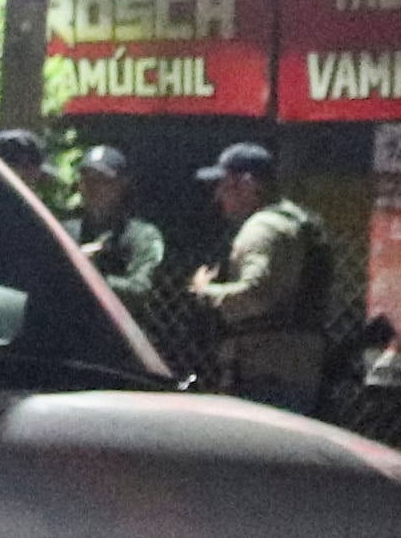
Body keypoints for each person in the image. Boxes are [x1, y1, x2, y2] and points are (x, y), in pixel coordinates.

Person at [190, 139, 338, 413]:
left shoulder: (262, 229)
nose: (218, 196)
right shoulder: (296, 220)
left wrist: (205, 291)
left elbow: (255, 296)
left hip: (264, 371)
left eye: (225, 185)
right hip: (299, 367)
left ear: (247, 184)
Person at [66, 146, 170, 304]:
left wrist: (89, 274)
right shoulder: (63, 232)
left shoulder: (143, 235)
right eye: (86, 179)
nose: (91, 187)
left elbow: (141, 289)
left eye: (101, 180)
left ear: (121, 185)